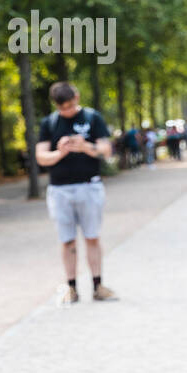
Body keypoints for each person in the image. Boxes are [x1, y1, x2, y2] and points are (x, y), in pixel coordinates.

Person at [34, 81, 117, 304]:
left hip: (89, 185)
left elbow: (106, 150)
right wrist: (60, 153)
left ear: (77, 97)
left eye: (70, 106)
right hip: (60, 189)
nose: (67, 111)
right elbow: (41, 157)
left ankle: (98, 285)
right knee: (67, 240)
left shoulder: (92, 118)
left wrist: (85, 147)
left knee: (92, 237)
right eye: (62, 108)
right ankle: (71, 287)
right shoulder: (49, 123)